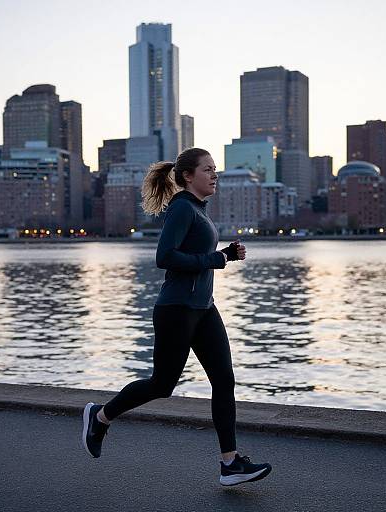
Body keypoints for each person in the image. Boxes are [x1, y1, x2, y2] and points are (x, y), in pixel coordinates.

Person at [82, 147, 272, 486]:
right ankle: (100, 417)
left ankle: (229, 463)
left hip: (203, 308)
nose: (215, 175)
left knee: (224, 380)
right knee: (162, 384)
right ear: (188, 176)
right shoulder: (182, 208)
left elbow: (198, 254)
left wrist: (225, 254)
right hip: (176, 310)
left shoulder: (199, 209)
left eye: (215, 170)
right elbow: (165, 256)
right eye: (208, 169)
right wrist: (216, 259)